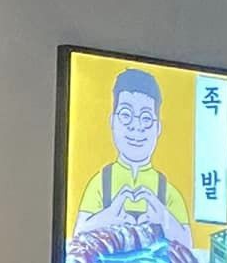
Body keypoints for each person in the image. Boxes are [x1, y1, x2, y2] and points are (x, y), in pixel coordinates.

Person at [72, 66, 193, 247]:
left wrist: (163, 218)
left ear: (158, 128)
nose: (136, 127)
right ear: (112, 121)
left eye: (146, 118)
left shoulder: (168, 192)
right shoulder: (100, 184)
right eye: (126, 115)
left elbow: (188, 245)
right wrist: (107, 217)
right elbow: (76, 238)